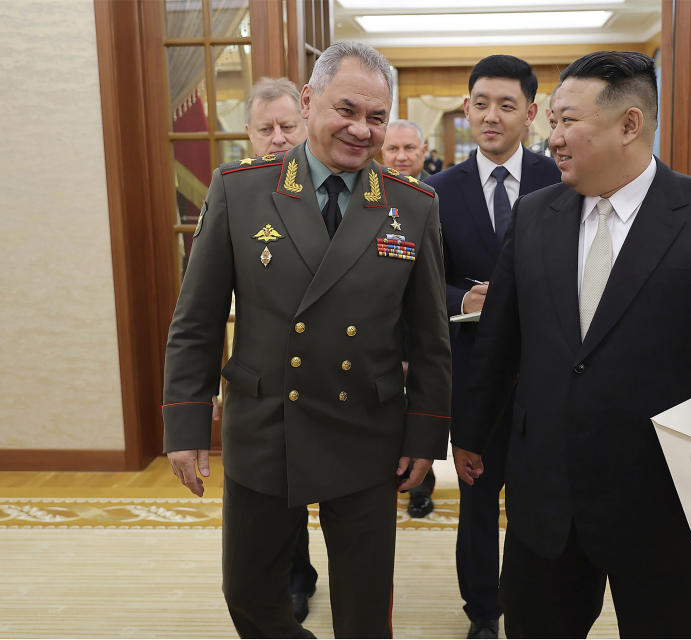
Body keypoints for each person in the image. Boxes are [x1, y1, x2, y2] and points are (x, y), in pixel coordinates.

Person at [452, 51, 691, 638]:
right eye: (552, 122)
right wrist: (472, 433)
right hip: (547, 496)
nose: (551, 138)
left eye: (566, 121)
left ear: (629, 125)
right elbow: (500, 341)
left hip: (670, 493)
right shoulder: (535, 216)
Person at [163, 41, 451, 639]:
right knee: (245, 590)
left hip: (367, 431)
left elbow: (429, 338)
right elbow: (197, 319)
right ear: (308, 99)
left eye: (377, 117)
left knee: (366, 607)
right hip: (268, 420)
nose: (361, 129)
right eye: (347, 109)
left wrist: (425, 433)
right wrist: (186, 424)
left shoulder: (412, 206)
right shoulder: (240, 191)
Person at [425, 54, 561, 639]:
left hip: (542, 372)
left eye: (507, 105)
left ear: (531, 114)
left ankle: (534, 602)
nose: (492, 116)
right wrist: (467, 297)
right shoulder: (436, 191)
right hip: (472, 369)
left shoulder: (561, 181)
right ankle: (482, 609)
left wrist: (507, 297)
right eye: (481, 103)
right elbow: (426, 279)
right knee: (477, 499)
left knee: (538, 497)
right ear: (466, 108)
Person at [238, 75, 318, 624]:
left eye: (287, 126)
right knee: (277, 499)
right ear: (248, 134)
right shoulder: (236, 194)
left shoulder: (337, 188)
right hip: (268, 379)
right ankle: (297, 575)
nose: (278, 139)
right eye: (265, 129)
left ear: (306, 123)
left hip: (335, 376)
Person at [380, 119, 438, 519]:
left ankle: (422, 487)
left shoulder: (434, 198)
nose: (401, 157)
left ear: (424, 151)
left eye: (408, 149)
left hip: (425, 335)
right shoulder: (368, 198)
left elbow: (431, 288)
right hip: (380, 340)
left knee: (420, 415)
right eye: (392, 149)